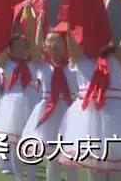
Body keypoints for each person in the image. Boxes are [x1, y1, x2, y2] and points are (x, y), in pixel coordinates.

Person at [20, 23, 79, 181]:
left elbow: (76, 49)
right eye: (50, 41)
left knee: (71, 159)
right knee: (53, 159)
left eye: (58, 41)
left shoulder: (72, 66)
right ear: (45, 47)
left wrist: (69, 32)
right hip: (49, 114)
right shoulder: (43, 66)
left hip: (69, 113)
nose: (54, 44)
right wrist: (39, 25)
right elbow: (35, 48)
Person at [0, 9, 41, 181]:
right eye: (16, 47)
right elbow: (2, 52)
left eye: (22, 47)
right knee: (14, 143)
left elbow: (35, 45)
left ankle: (32, 177)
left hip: (32, 102)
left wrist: (33, 24)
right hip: (12, 104)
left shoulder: (34, 62)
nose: (19, 50)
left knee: (32, 143)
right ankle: (19, 177)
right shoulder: (6, 63)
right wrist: (13, 22)